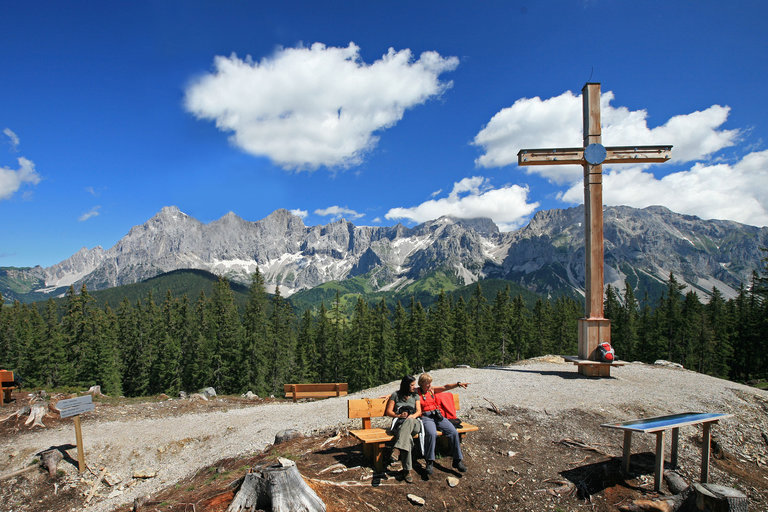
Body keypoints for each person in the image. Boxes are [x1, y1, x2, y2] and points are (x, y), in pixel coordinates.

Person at [417, 373, 468, 475]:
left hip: (437, 415)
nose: (429, 385)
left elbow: (445, 387)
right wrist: (388, 397)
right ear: (421, 383)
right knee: (431, 434)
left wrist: (458, 384)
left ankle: (457, 460)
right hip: (426, 417)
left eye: (430, 383)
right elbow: (401, 392)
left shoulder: (432, 390)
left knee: (453, 432)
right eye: (427, 383)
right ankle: (429, 461)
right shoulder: (416, 392)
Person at [385, 375, 423, 483]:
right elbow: (389, 412)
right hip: (400, 424)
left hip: (414, 423)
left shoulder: (415, 396)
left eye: (414, 385)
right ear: (406, 385)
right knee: (407, 438)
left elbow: (419, 411)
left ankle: (397, 449)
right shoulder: (395, 395)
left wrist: (412, 416)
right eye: (412, 385)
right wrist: (399, 416)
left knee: (409, 422)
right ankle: (407, 470)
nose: (414, 387)